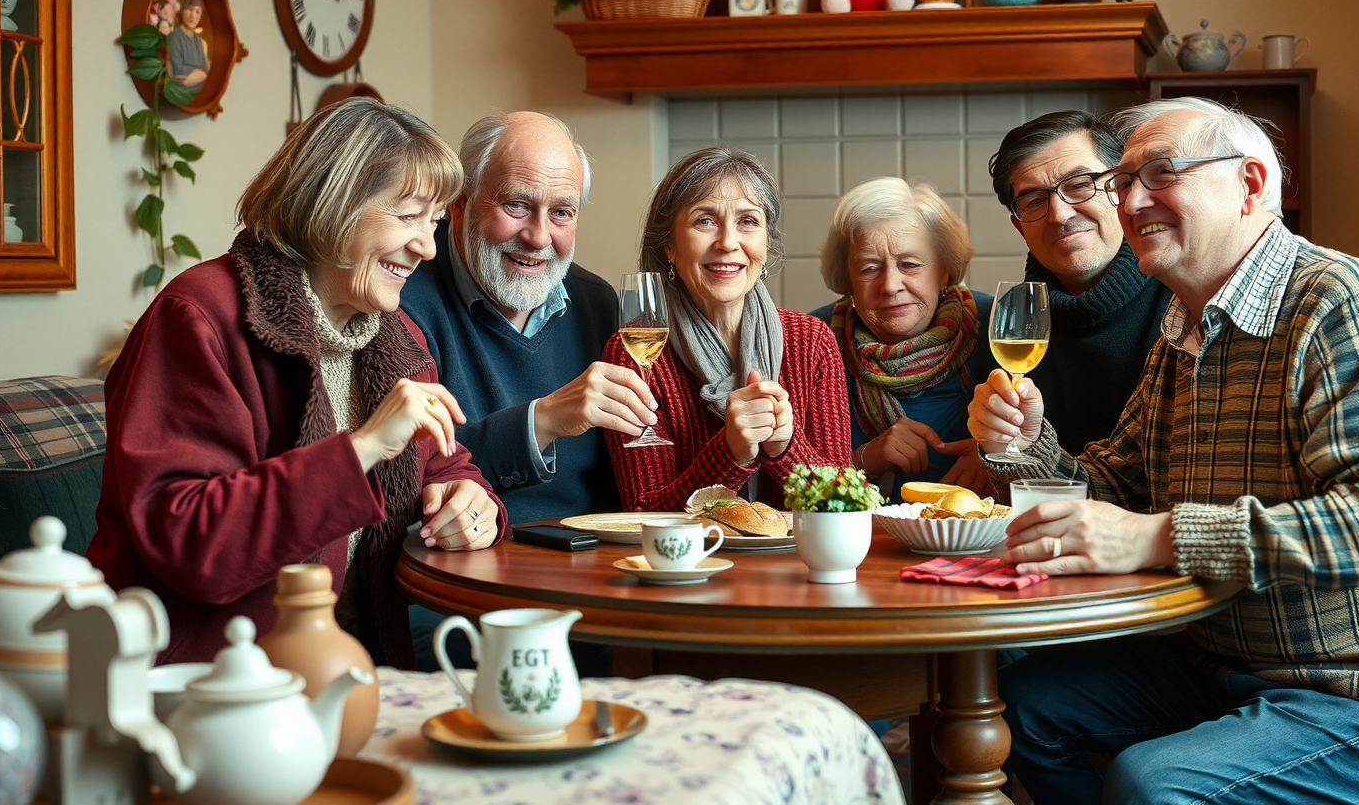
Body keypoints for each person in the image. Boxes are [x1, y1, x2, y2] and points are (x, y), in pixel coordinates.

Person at [967, 97, 1359, 805]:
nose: (1130, 201)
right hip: (1244, 674)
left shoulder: (1341, 302)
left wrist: (1161, 536)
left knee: (1158, 787)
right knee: (1027, 706)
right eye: (1125, 180)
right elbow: (1110, 487)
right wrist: (1025, 448)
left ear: (1252, 184)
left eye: (1159, 174)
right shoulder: (1185, 331)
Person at [89, 99, 502, 668]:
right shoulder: (199, 317)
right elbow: (187, 539)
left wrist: (472, 505)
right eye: (407, 217)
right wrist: (361, 449)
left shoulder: (394, 338)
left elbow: (447, 466)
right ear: (334, 204)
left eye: (432, 224)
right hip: (209, 678)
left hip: (349, 665)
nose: (427, 247)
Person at [401, 111, 647, 522]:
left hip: (601, 563)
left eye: (561, 213)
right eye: (517, 204)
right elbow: (407, 467)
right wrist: (543, 420)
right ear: (459, 204)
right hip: (470, 567)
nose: (538, 236)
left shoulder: (598, 304)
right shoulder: (403, 301)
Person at [603, 147, 852, 511]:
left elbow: (844, 503)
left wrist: (785, 446)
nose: (727, 242)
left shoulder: (812, 340)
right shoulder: (633, 352)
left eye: (748, 222)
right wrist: (729, 453)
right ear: (669, 245)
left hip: (794, 564)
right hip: (691, 566)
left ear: (766, 242)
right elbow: (644, 513)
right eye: (705, 221)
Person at [986, 110, 1172, 454]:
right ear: (1019, 228)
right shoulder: (1012, 326)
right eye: (1034, 200)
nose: (1060, 214)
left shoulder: (1185, 303)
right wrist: (997, 451)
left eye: (1080, 185)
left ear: (1122, 189)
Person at [811, 177, 995, 499]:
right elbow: (788, 481)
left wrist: (999, 460)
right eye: (869, 269)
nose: (890, 285)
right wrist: (863, 461)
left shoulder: (995, 327)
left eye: (909, 264)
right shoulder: (815, 339)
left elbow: (1044, 441)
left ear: (945, 271)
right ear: (848, 279)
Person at [168, 0, 210, 91]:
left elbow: (207, 71)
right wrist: (201, 75)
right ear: (182, 11)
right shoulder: (175, 36)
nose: (193, 15)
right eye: (190, 10)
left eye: (197, 12)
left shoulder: (200, 42)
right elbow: (177, 70)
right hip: (182, 91)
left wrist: (203, 75)